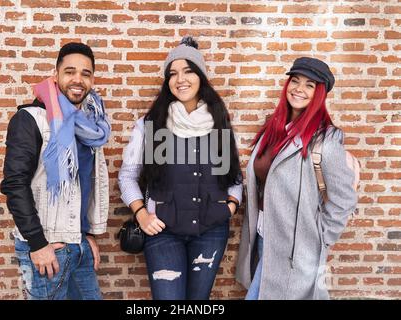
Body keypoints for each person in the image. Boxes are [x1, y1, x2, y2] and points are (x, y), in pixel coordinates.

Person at [118, 36, 243, 300]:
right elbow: (128, 176)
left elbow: (233, 176)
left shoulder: (218, 120)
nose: (180, 79)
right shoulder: (152, 124)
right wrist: (141, 214)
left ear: (201, 76)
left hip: (210, 231)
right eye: (172, 73)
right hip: (164, 232)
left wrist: (230, 206)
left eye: (188, 71)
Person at [235, 57, 358, 300]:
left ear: (319, 93)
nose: (299, 89)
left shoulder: (326, 140)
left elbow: (344, 200)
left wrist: (319, 239)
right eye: (295, 81)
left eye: (309, 85)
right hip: (264, 237)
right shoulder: (274, 128)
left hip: (296, 251)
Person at [0, 42, 111, 300]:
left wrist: (86, 235)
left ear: (92, 79)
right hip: (47, 248)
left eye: (86, 73)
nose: (78, 79)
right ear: (56, 75)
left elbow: (85, 183)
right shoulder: (30, 119)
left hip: (78, 244)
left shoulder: (92, 125)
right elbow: (15, 184)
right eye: (70, 71)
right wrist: (38, 244)